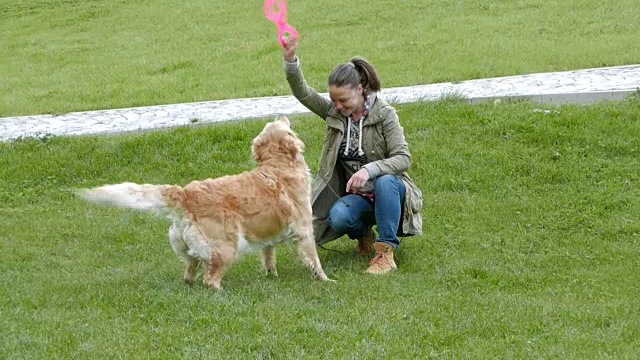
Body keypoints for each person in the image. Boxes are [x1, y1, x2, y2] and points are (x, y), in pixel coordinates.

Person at [281, 36, 423, 275]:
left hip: (390, 194)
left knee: (386, 181)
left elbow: (403, 157)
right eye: (334, 100)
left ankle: (385, 254)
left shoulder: (385, 114)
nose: (337, 106)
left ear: (360, 90)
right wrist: (290, 60)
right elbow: (303, 93)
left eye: (343, 100)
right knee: (338, 217)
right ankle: (364, 236)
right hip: (360, 198)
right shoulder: (334, 113)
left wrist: (370, 169)